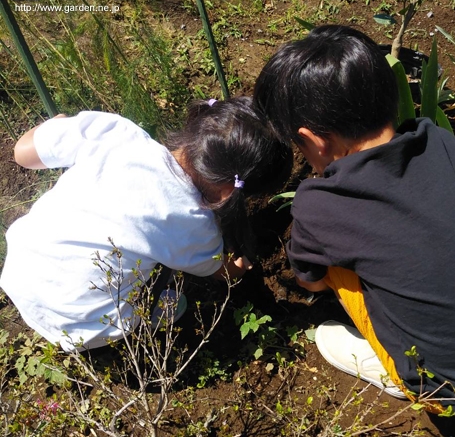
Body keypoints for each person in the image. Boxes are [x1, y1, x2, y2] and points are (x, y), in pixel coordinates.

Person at [253, 24, 455, 420]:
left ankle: (391, 371)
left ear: (315, 141)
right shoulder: (438, 141)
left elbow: (310, 281)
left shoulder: (319, 204)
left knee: (331, 283)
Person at [0, 97, 291, 352]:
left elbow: (22, 153)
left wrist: (58, 125)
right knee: (175, 305)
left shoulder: (115, 132)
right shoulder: (194, 224)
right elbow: (221, 272)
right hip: (86, 328)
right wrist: (240, 266)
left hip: (19, 275)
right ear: (230, 192)